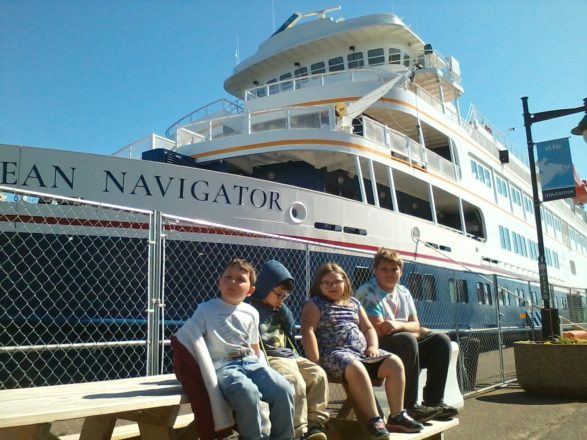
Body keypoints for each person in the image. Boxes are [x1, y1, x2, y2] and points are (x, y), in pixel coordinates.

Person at [173, 258, 295, 440]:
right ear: (219, 282)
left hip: (251, 363)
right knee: (248, 392)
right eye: (228, 277)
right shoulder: (205, 310)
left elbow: (255, 347)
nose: (233, 282)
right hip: (225, 367)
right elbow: (190, 338)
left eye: (240, 279)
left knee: (284, 389)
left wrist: (260, 366)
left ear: (251, 290)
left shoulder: (251, 312)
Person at [301, 263, 423, 439]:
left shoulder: (354, 303)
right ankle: (374, 420)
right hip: (334, 354)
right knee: (356, 367)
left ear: (345, 282)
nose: (332, 286)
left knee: (395, 363)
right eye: (326, 283)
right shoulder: (315, 304)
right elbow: (308, 331)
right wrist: (316, 363)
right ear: (319, 286)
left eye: (337, 281)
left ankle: (397, 415)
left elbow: (368, 329)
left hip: (359, 354)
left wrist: (372, 346)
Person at [356, 248, 458, 422]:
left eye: (394, 269)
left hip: (404, 345)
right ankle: (408, 407)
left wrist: (398, 325)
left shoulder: (404, 292)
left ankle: (434, 402)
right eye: (384, 269)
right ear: (375, 270)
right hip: (374, 352)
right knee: (407, 339)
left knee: (440, 341)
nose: (389, 273)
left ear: (401, 272)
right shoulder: (368, 292)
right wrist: (413, 330)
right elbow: (380, 330)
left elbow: (414, 323)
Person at [250, 260, 330, 440]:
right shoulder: (252, 309)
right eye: (278, 294)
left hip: (290, 354)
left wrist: (283, 309)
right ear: (265, 287)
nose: (281, 299)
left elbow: (291, 328)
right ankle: (298, 430)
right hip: (271, 356)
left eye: (285, 297)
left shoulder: (279, 309)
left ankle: (315, 423)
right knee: (295, 382)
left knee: (318, 374)